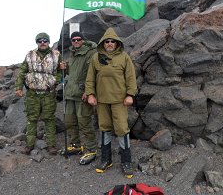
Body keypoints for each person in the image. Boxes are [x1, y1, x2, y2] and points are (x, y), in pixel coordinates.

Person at [85, 27, 137, 178]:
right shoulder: (96, 57)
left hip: (120, 100)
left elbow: (131, 78)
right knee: (104, 128)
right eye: (107, 41)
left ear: (116, 43)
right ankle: (106, 160)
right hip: (101, 100)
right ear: (103, 43)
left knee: (122, 128)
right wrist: (90, 94)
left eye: (112, 41)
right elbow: (90, 78)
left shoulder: (124, 57)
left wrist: (130, 94)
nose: (109, 44)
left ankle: (126, 161)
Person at [15, 32, 63, 155]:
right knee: (32, 119)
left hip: (48, 93)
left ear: (49, 42)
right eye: (40, 41)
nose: (42, 43)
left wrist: (56, 80)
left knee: (49, 119)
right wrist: (18, 87)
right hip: (32, 94)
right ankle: (29, 144)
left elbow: (62, 72)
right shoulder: (30, 54)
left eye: (45, 41)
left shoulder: (57, 55)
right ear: (37, 42)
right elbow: (22, 72)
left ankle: (51, 145)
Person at [61, 31, 98, 165]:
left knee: (85, 123)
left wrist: (89, 91)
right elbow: (74, 73)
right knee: (69, 121)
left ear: (83, 40)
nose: (76, 42)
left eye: (78, 39)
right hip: (70, 94)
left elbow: (94, 73)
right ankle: (76, 145)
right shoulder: (72, 54)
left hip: (83, 94)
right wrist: (65, 68)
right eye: (73, 40)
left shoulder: (91, 53)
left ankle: (91, 150)